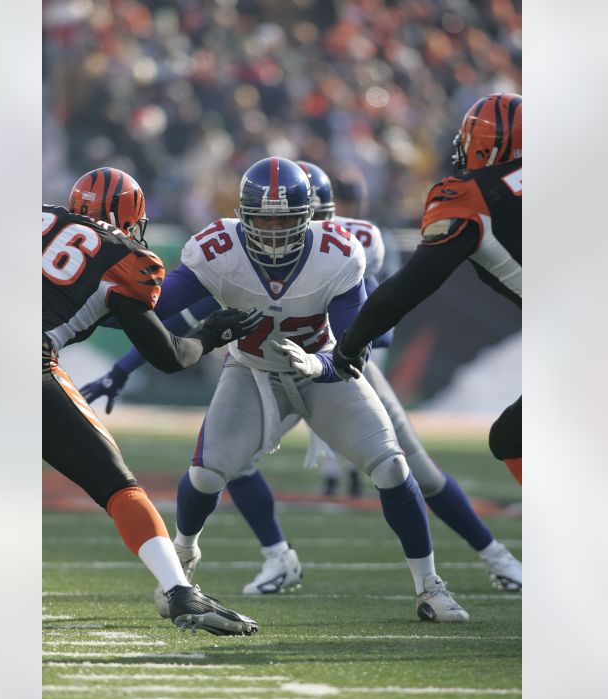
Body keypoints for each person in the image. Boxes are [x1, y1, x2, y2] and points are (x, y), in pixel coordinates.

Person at [82, 160, 522, 595]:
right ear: (243, 217)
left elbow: (370, 336)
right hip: (254, 371)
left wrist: (325, 364)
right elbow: (159, 313)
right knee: (210, 471)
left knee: (399, 466)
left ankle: (449, 577)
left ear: (314, 215)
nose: (273, 232)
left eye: (286, 219)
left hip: (329, 367)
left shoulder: (348, 247)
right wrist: (104, 318)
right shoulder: (220, 249)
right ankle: (241, 556)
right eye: (263, 220)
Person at [42, 167, 262, 636]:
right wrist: (209, 334)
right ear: (130, 218)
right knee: (118, 485)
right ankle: (180, 591)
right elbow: (168, 356)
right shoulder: (123, 256)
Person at [333, 93, 523, 486]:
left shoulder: (471, 196)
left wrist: (351, 342)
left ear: (486, 146)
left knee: (516, 439)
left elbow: (413, 285)